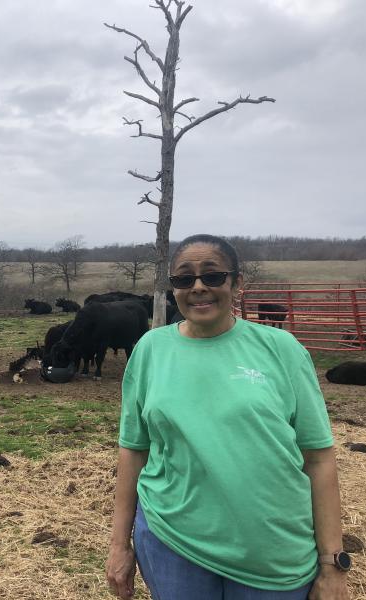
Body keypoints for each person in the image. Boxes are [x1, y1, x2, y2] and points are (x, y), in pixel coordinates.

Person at [106, 234, 350, 600]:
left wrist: (332, 564)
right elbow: (134, 450)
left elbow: (318, 457)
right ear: (173, 288)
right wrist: (118, 544)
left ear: (236, 283)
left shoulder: (281, 349)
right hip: (173, 541)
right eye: (184, 278)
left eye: (213, 276)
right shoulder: (150, 350)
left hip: (272, 550)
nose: (198, 287)